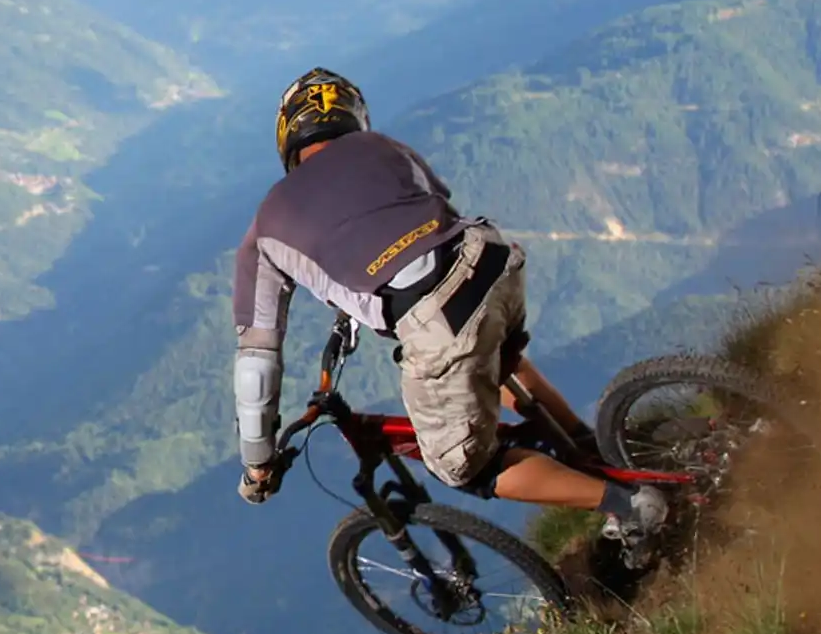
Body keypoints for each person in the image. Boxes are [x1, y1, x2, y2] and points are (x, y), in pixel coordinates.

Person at [230, 68, 668, 542]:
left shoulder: (266, 228)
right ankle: (591, 448)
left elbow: (257, 362)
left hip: (435, 313)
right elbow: (427, 213)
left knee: (462, 468)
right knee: (495, 354)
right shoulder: (386, 148)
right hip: (490, 258)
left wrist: (258, 462)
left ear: (287, 137)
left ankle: (630, 508)